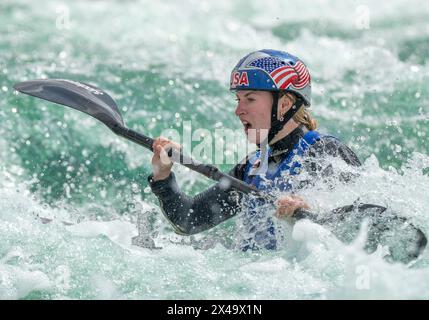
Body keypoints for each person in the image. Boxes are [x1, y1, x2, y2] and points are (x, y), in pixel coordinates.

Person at [147, 49, 361, 251]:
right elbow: (189, 221)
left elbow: (361, 229)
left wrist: (310, 214)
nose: (238, 110)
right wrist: (163, 176)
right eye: (238, 100)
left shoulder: (326, 153)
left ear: (285, 104)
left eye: (250, 99)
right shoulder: (251, 169)